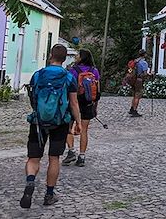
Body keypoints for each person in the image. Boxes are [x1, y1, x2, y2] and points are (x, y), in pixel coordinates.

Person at [21, 44, 81, 208]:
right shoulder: (68, 77)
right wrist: (78, 123)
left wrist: (38, 113)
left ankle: (30, 181)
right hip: (60, 123)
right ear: (64, 59)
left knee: (33, 158)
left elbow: (33, 98)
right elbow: (74, 103)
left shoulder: (38, 75)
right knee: (54, 158)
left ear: (50, 56)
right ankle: (49, 194)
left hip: (38, 122)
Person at [63, 49, 100, 167]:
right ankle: (82, 156)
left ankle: (71, 151)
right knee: (84, 130)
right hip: (88, 103)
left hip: (74, 103)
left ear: (81, 57)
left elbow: (68, 88)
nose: (76, 56)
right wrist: (95, 106)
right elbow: (98, 91)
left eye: (78, 55)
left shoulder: (73, 71)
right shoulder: (94, 71)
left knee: (69, 128)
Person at [129, 49, 150, 117]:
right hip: (139, 80)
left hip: (133, 80)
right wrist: (150, 74)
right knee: (137, 96)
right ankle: (134, 111)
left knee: (134, 95)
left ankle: (132, 108)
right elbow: (145, 74)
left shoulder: (136, 61)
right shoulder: (144, 63)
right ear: (144, 54)